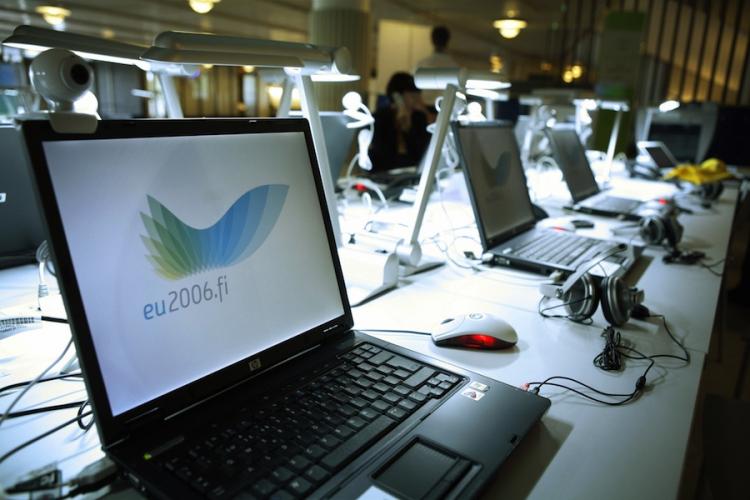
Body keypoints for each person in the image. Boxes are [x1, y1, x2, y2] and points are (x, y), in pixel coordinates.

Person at [369, 72, 431, 172]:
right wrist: (397, 125)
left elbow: (422, 153)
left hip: (413, 170)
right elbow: (381, 152)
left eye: (418, 94)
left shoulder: (419, 117)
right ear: (397, 96)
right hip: (384, 172)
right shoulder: (380, 117)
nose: (417, 98)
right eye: (412, 94)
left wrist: (408, 128)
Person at [415, 26, 458, 110]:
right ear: (448, 41)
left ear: (431, 40)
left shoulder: (422, 64)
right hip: (445, 109)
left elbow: (413, 91)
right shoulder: (454, 67)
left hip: (424, 109)